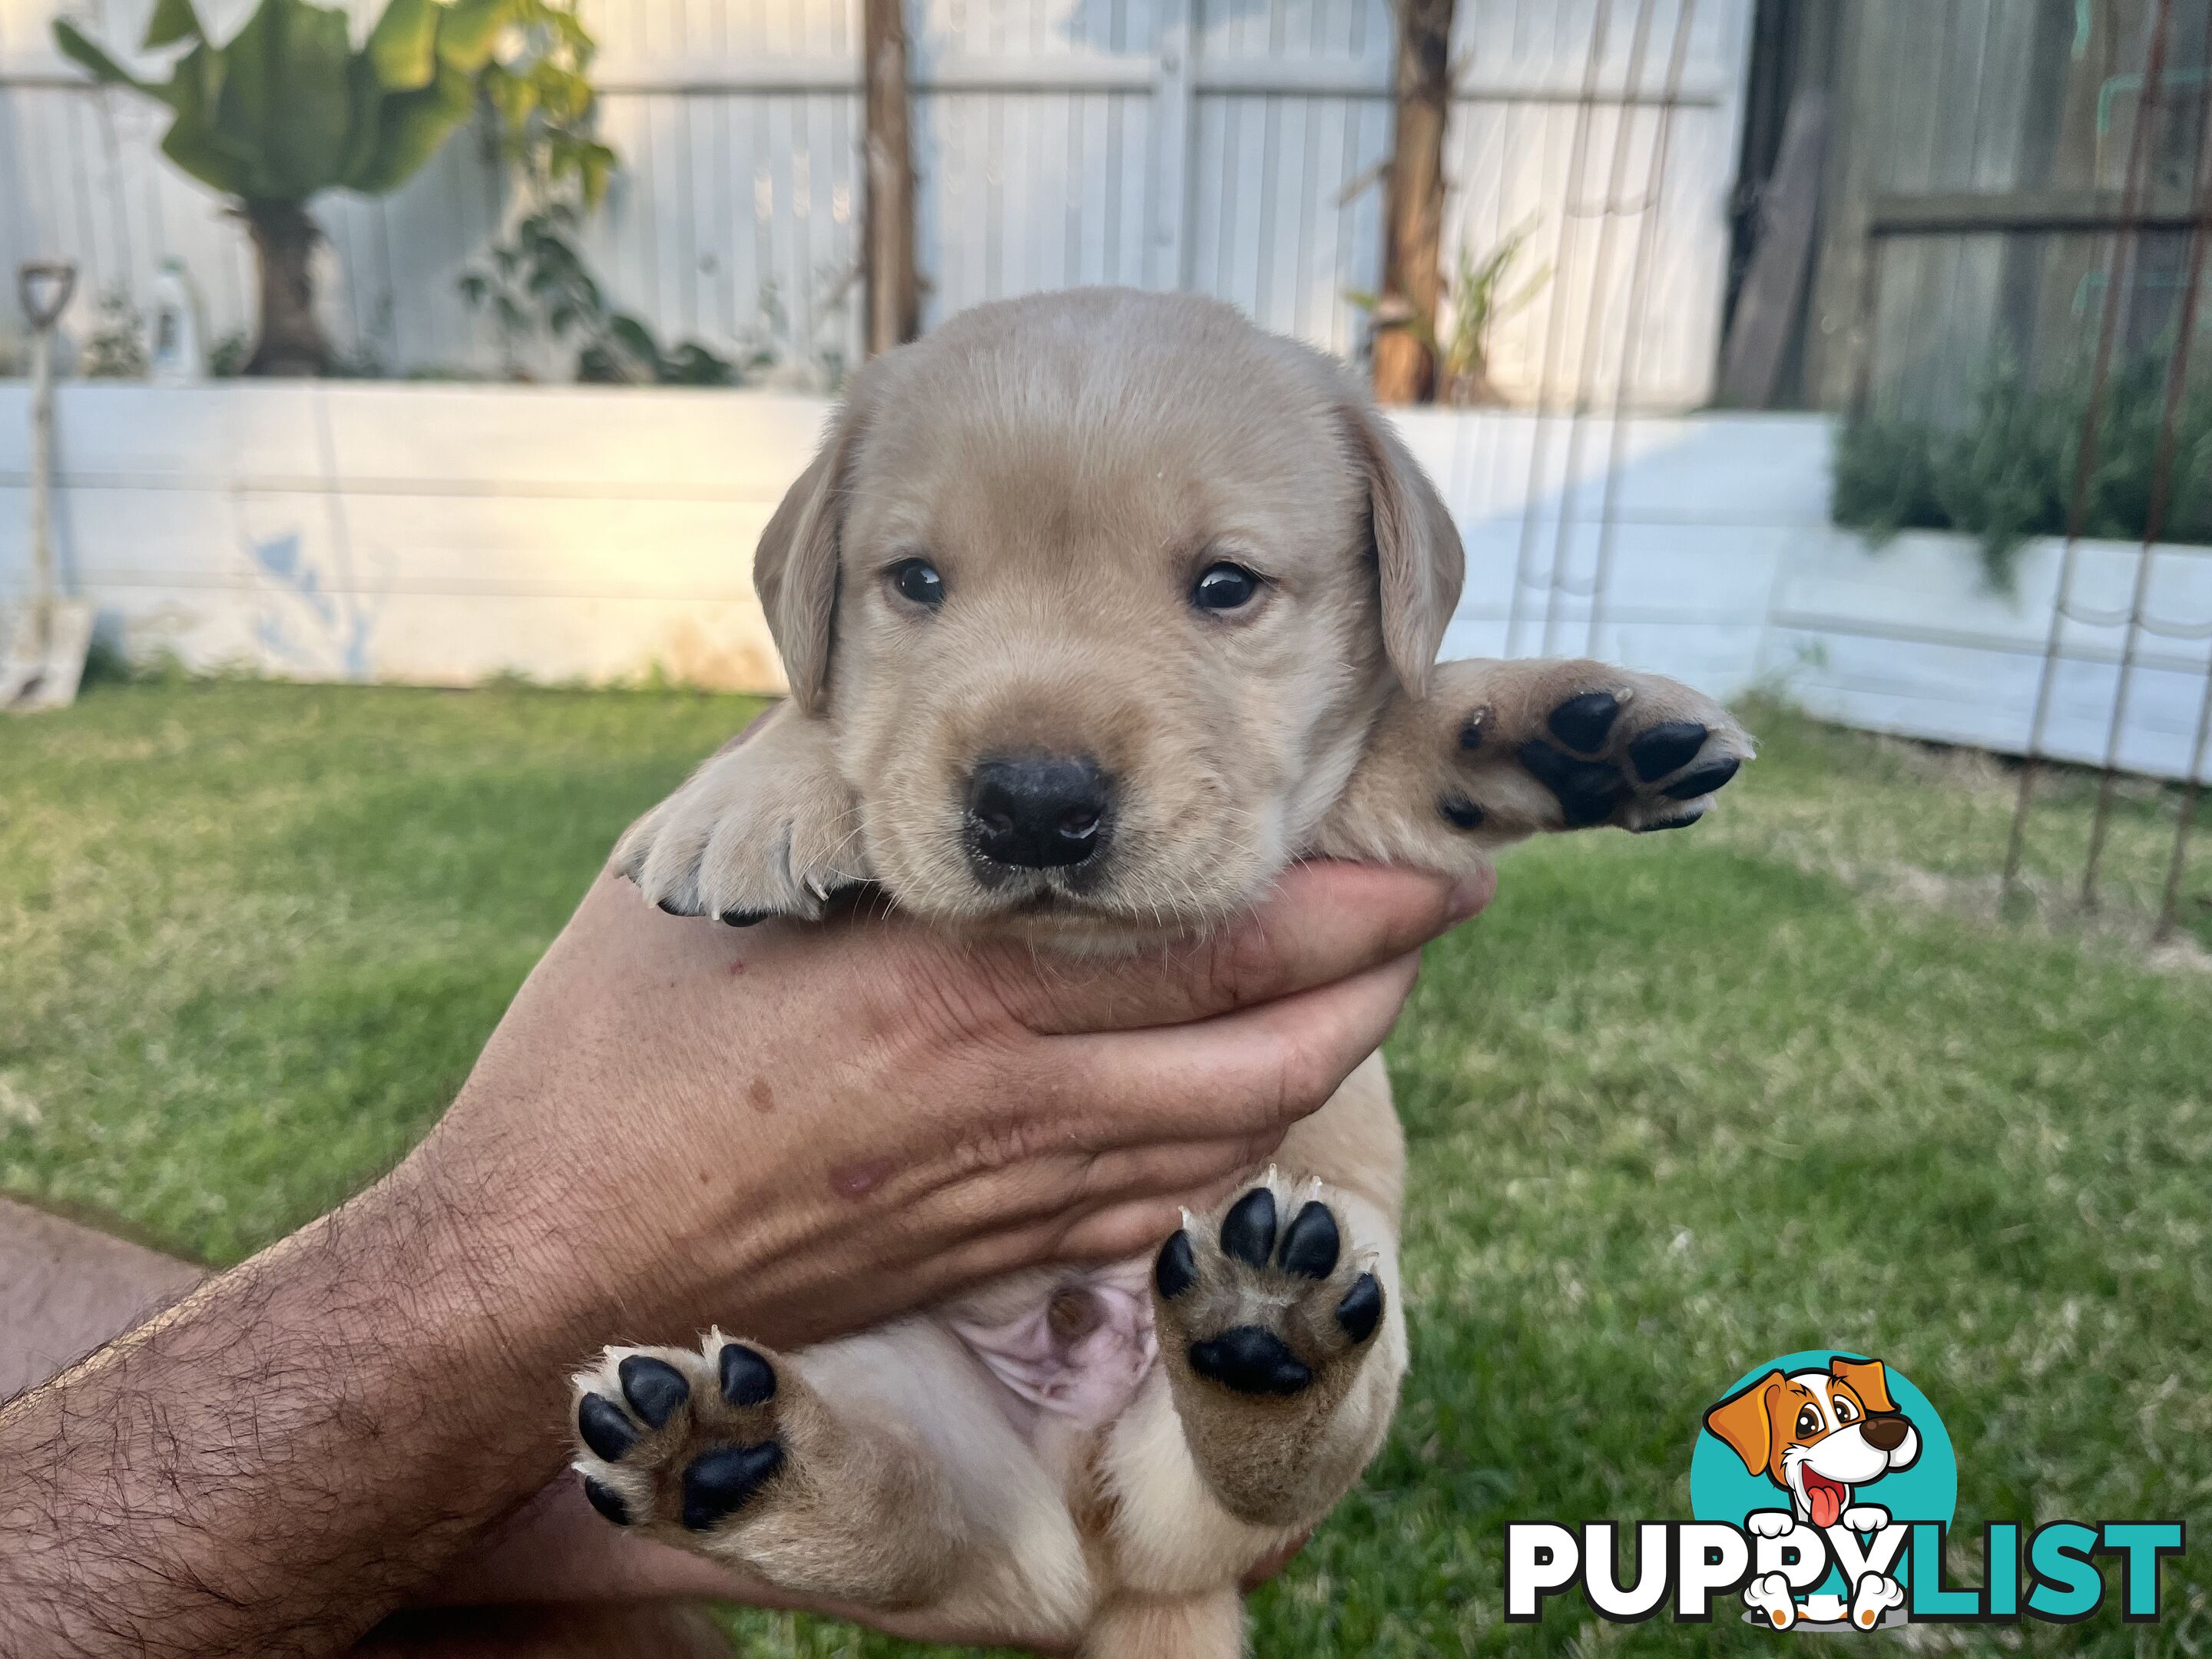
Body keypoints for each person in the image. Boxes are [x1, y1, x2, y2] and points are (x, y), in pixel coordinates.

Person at [0, 860, 1491, 1657]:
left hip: (1146, 1400)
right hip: (962, 1383)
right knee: (865, 1414)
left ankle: (1259, 1405)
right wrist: (510, 1258)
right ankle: (845, 1501)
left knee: (1331, 1242)